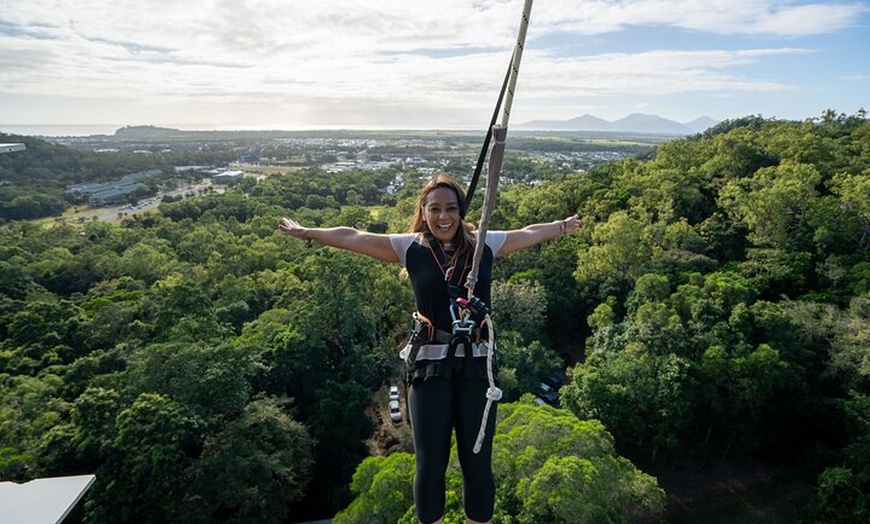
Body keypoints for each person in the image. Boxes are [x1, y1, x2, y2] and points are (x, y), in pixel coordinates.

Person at [278, 175, 578, 524]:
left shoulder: (483, 244)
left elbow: (527, 233)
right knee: (430, 463)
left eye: (451, 208)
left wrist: (561, 227)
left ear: (462, 212)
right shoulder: (411, 248)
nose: (444, 217)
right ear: (423, 211)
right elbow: (354, 236)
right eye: (434, 209)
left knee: (477, 460)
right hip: (429, 365)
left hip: (476, 366)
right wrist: (311, 232)